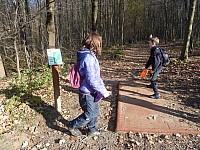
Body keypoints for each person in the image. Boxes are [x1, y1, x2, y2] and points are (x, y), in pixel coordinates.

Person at [67, 33, 111, 136]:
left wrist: (102, 88)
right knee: (90, 113)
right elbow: (92, 79)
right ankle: (72, 125)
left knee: (95, 111)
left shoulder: (90, 55)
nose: (100, 46)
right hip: (87, 93)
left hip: (92, 90)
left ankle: (92, 130)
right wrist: (103, 91)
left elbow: (96, 76)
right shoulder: (88, 58)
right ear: (94, 44)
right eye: (99, 44)